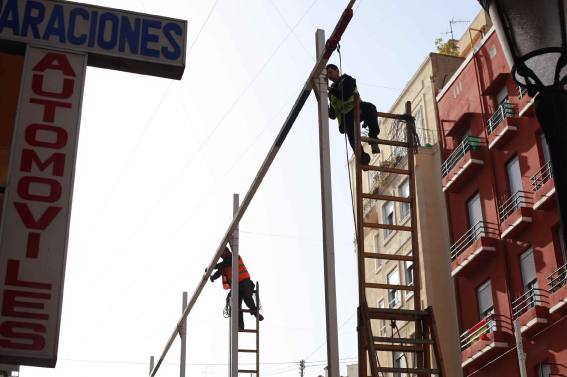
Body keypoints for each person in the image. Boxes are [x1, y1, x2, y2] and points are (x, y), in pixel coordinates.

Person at [326, 64, 380, 165]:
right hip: (346, 116)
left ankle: (373, 138)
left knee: (371, 108)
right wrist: (325, 103)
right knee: (352, 136)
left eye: (330, 72)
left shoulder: (347, 80)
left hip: (357, 108)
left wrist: (330, 90)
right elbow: (332, 115)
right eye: (327, 74)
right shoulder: (331, 93)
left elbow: (345, 95)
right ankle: (362, 158)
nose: (329, 76)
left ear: (337, 71)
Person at [210, 246, 263, 329]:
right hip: (236, 286)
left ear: (227, 251)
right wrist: (213, 276)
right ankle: (240, 325)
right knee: (236, 306)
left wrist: (213, 267)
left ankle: (255, 313)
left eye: (222, 253)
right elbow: (219, 271)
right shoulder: (224, 263)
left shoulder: (234, 257)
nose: (222, 256)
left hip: (245, 282)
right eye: (221, 254)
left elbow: (226, 263)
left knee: (247, 298)